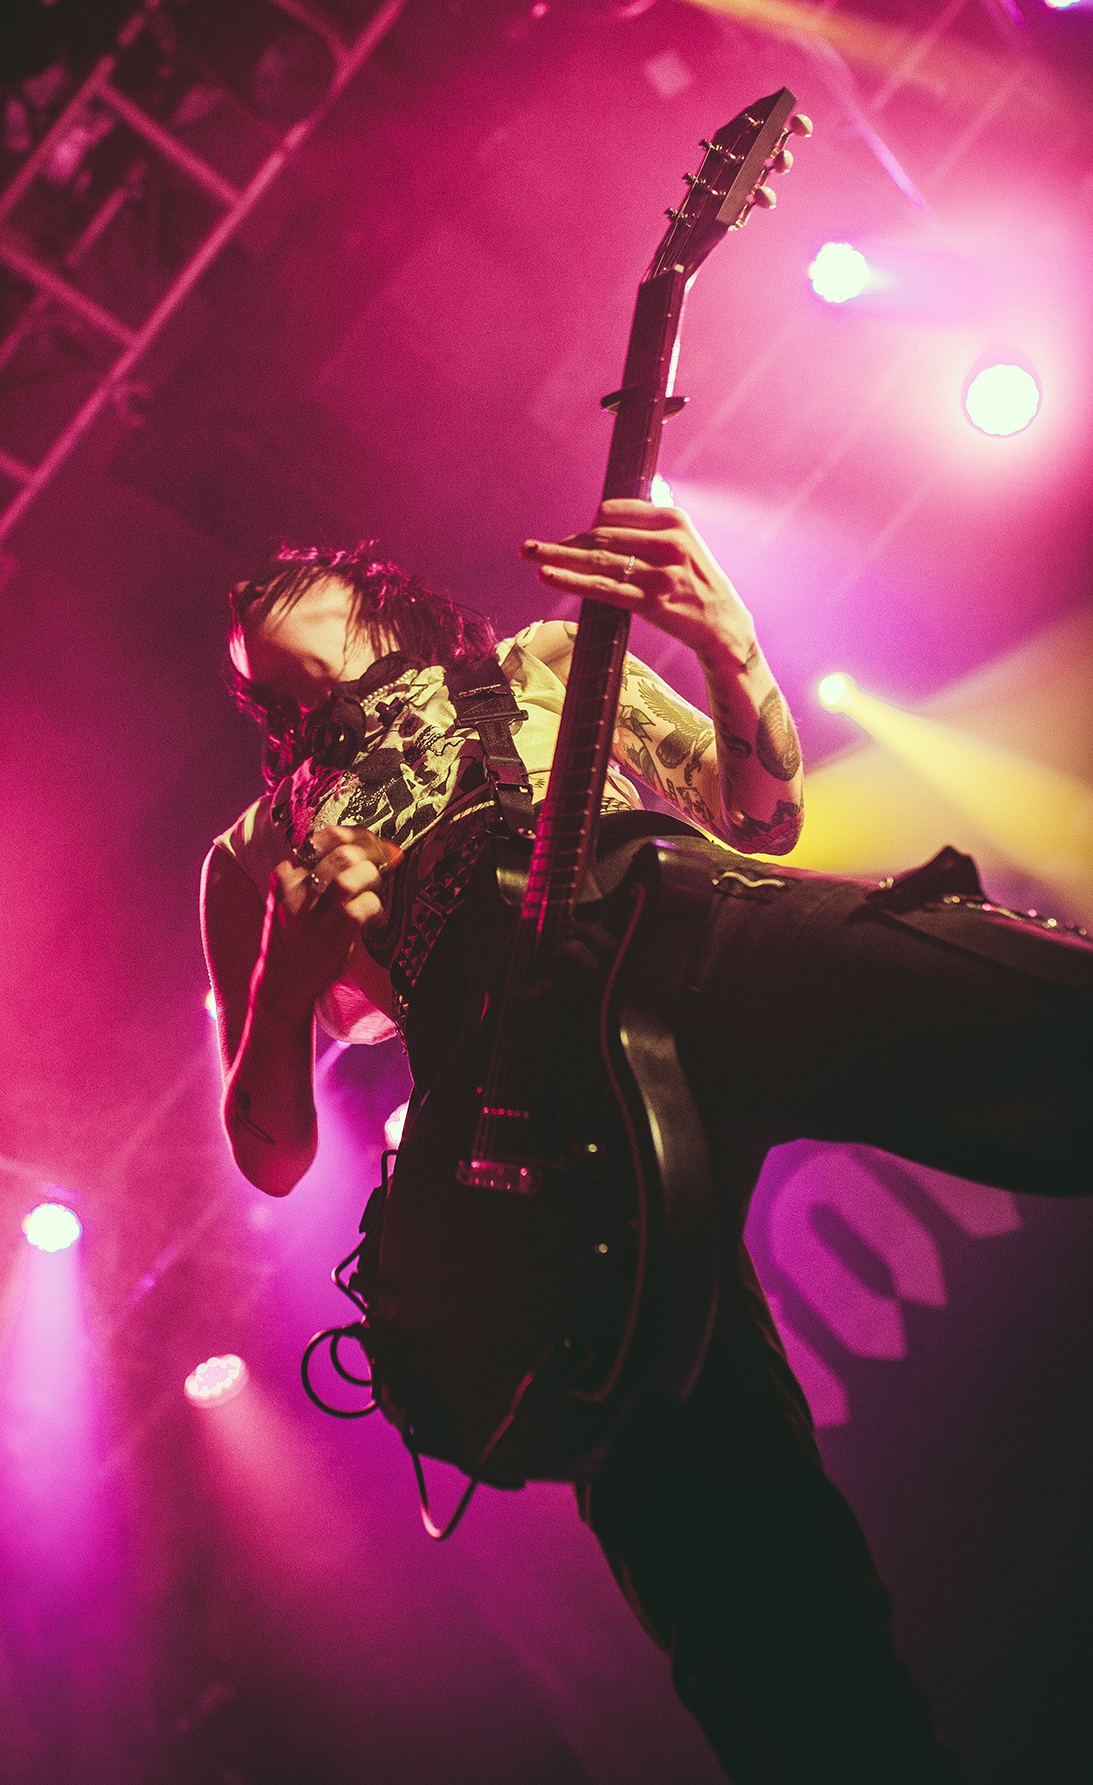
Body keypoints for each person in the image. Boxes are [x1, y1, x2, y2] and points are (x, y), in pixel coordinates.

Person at [201, 500, 1092, 1785]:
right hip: (518, 1105)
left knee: (1009, 1005)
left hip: (674, 917)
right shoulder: (248, 856)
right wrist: (286, 988)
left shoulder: (543, 662)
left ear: (367, 587)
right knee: (731, 1563)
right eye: (243, 633)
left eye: (290, 581)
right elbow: (270, 1152)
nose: (251, 601)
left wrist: (730, 643)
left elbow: (763, 814)